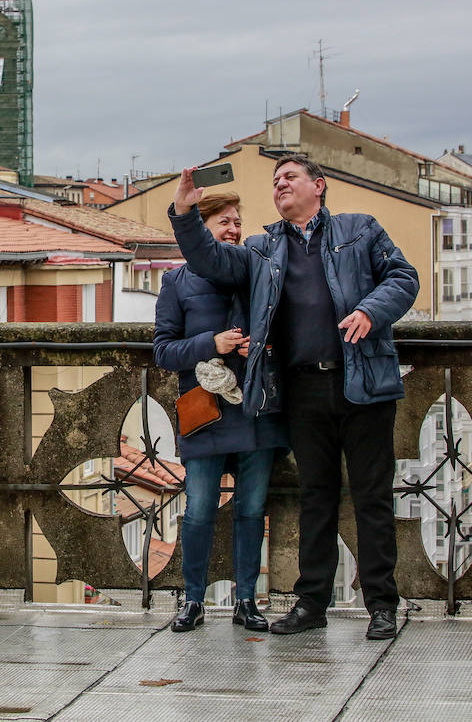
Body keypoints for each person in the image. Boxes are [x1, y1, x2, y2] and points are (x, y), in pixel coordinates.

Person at [168, 153, 419, 641]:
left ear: (318, 186)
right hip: (302, 388)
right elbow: (210, 260)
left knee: (372, 497)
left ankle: (382, 605)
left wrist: (371, 310)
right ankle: (312, 603)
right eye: (275, 180)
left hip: (363, 381)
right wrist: (184, 213)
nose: (280, 184)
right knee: (316, 498)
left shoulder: (360, 229)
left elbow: (403, 278)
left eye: (290, 177)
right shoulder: (264, 249)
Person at [153, 192, 287, 633]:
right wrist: (213, 344)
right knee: (199, 510)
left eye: (237, 221)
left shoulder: (254, 272)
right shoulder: (176, 282)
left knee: (252, 509)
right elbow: (164, 351)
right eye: (223, 222)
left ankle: (246, 601)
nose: (233, 229)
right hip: (205, 411)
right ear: (201, 231)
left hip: (256, 409)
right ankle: (193, 601)